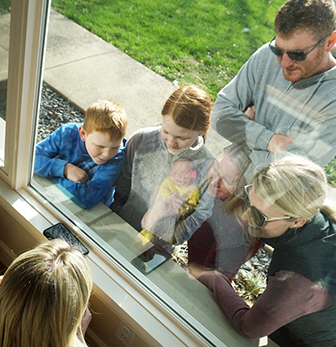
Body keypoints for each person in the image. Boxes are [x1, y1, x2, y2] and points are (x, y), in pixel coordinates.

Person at [196, 155, 336, 347]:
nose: (247, 215)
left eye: (259, 217)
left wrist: (213, 278)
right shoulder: (321, 222)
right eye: (250, 199)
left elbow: (249, 328)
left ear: (297, 220)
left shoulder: (302, 281)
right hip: (308, 342)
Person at [212, 0, 336, 178]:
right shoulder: (266, 55)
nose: (284, 63)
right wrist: (270, 141)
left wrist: (245, 132)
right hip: (223, 178)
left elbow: (288, 174)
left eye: (297, 54)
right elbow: (220, 115)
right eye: (279, 50)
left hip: (263, 199)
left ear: (330, 42)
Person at [111, 85, 215, 246]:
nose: (172, 142)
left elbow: (201, 214)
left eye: (181, 137)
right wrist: (116, 212)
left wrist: (166, 236)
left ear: (203, 130)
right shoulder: (141, 140)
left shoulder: (208, 168)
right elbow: (123, 177)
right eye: (166, 131)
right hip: (120, 225)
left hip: (158, 246)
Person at [34, 100, 128, 209]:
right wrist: (65, 169)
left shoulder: (117, 158)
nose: (107, 154)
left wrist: (51, 173)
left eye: (115, 147)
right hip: (54, 196)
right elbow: (31, 158)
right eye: (100, 146)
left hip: (93, 212)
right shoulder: (66, 133)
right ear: (83, 134)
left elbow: (87, 199)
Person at [187, 145, 262, 280]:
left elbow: (217, 276)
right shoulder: (209, 187)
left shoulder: (243, 227)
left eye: (227, 180)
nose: (215, 181)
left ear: (246, 189)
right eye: (216, 169)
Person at [139, 157, 201, 244]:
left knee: (164, 240)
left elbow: (191, 205)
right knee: (148, 229)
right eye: (174, 172)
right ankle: (144, 240)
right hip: (158, 214)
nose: (177, 176)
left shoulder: (193, 189)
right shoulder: (169, 181)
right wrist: (168, 197)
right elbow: (162, 189)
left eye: (183, 173)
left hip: (173, 219)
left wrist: (179, 211)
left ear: (192, 175)